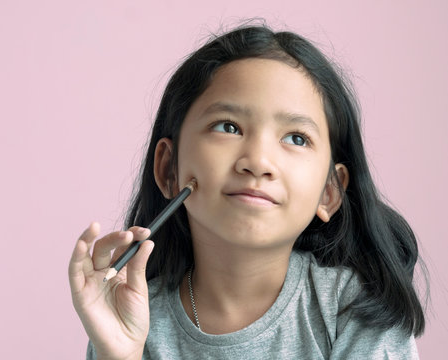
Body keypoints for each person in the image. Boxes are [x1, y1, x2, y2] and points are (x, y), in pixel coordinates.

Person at [68, 24, 426, 359]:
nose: (257, 161)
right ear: (168, 169)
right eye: (228, 126)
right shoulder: (132, 315)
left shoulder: (356, 310)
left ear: (329, 193)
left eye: (296, 138)